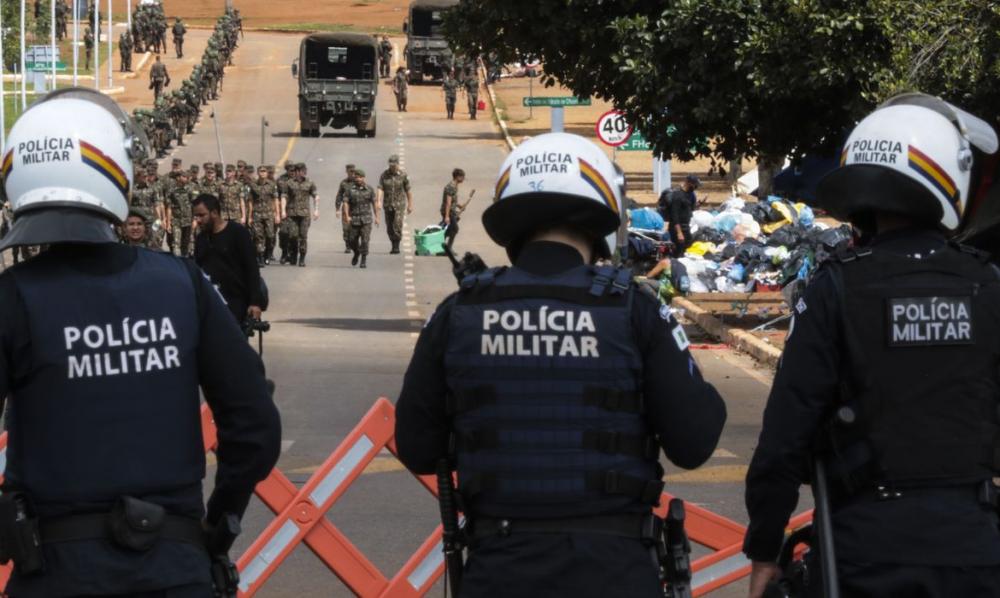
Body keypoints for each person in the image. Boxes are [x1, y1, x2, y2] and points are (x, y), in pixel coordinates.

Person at [395, 132, 726, 598]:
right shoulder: (636, 309)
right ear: (598, 223)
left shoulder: (459, 312)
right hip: (614, 570)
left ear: (512, 225)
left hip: (499, 569)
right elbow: (695, 441)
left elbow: (416, 446)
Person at [0, 86, 281, 598]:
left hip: (54, 572)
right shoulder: (182, 283)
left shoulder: (13, 298)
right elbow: (256, 425)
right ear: (116, 170)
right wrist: (218, 522)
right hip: (174, 565)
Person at [744, 93, 1000, 598]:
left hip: (864, 552)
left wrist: (764, 548)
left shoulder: (834, 288)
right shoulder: (989, 284)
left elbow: (784, 438)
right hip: (973, 549)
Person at [193, 194, 265, 325]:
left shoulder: (238, 233)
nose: (198, 220)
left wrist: (255, 303)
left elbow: (252, 269)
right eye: (196, 216)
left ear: (214, 212)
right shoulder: (201, 239)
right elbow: (197, 271)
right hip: (210, 305)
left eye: (201, 215)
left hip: (236, 304)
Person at [282, 162, 319, 267]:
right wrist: (283, 211)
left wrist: (316, 210)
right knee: (293, 236)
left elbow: (316, 196)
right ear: (297, 172)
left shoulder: (310, 183)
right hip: (292, 214)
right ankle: (294, 254)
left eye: (304, 170)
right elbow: (284, 197)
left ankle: (302, 258)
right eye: (301, 171)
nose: (303, 173)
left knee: (303, 236)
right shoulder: (289, 183)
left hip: (304, 215)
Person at [378, 155, 413, 254]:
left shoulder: (403, 175)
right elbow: (380, 188)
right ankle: (393, 243)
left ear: (398, 164)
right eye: (391, 165)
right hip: (388, 204)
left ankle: (396, 245)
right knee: (389, 226)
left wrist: (410, 204)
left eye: (394, 165)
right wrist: (379, 201)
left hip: (399, 205)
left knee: (397, 224)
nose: (392, 167)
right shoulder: (384, 175)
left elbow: (408, 191)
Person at [658, 174, 699, 257]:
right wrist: (679, 233)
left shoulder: (689, 195)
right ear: (688, 183)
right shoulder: (678, 196)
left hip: (686, 227)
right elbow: (674, 215)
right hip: (677, 229)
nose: (695, 187)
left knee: (686, 247)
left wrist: (699, 204)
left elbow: (689, 209)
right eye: (694, 185)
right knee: (677, 252)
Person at [345, 168, 378, 269]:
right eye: (356, 177)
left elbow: (374, 203)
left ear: (363, 178)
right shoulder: (350, 189)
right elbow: (346, 202)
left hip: (366, 219)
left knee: (365, 240)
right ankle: (356, 253)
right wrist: (347, 216)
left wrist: (377, 217)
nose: (358, 179)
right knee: (351, 240)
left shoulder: (369, 189)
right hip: (354, 219)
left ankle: (363, 260)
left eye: (360, 177)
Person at [250, 165, 280, 266]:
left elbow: (276, 199)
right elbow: (250, 201)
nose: (262, 173)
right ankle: (260, 257)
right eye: (261, 171)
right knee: (258, 236)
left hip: (269, 214)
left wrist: (277, 214)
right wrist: (249, 216)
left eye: (264, 171)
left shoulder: (272, 185)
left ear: (267, 173)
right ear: (258, 173)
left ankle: (267, 254)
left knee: (270, 235)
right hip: (257, 214)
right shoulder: (253, 185)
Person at [441, 168, 465, 250]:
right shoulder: (451, 186)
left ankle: (446, 247)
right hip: (448, 211)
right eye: (462, 177)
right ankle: (446, 246)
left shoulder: (455, 186)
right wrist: (447, 216)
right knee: (455, 229)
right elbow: (448, 202)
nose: (463, 179)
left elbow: (452, 200)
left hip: (451, 210)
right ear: (457, 177)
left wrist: (459, 206)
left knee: (452, 229)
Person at [335, 164, 356, 254]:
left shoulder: (358, 181)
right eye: (350, 171)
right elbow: (339, 195)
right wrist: (337, 209)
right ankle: (348, 245)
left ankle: (355, 244)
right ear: (346, 172)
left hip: (357, 208)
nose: (352, 173)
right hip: (346, 208)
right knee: (346, 228)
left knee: (356, 228)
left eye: (353, 171)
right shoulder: (343, 183)